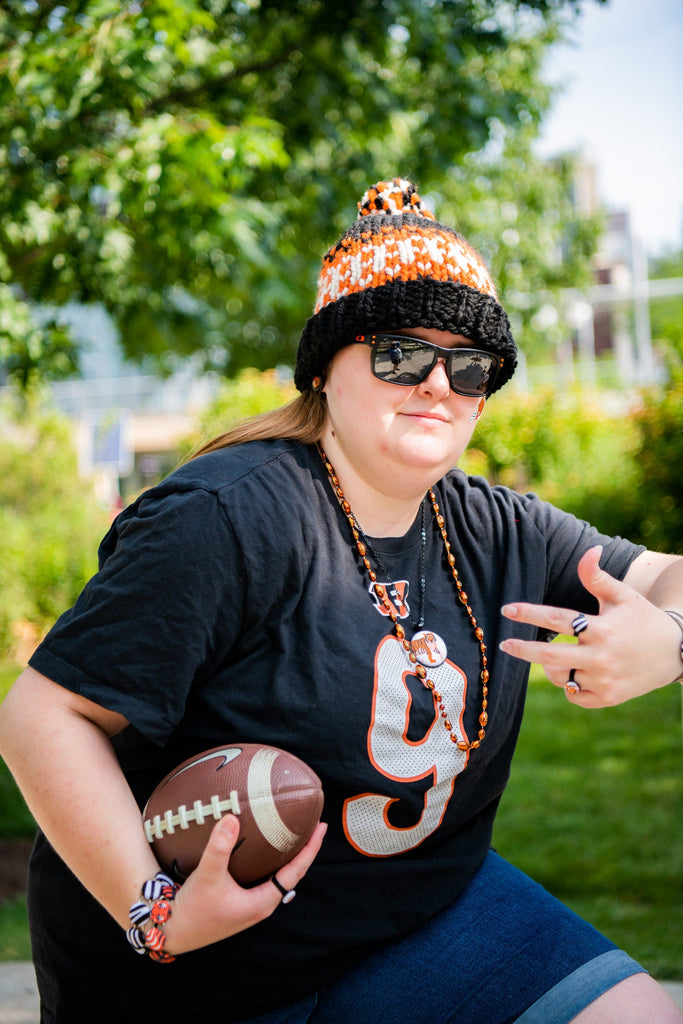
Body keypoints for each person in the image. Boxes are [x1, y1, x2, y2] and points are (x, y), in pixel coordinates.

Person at [0, 178, 681, 1024]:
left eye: (470, 366)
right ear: (326, 362)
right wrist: (157, 913)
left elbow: (669, 575)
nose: (438, 383)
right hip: (201, 977)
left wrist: (672, 638)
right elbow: (41, 717)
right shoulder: (228, 517)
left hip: (419, 917)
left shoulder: (498, 527)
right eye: (401, 352)